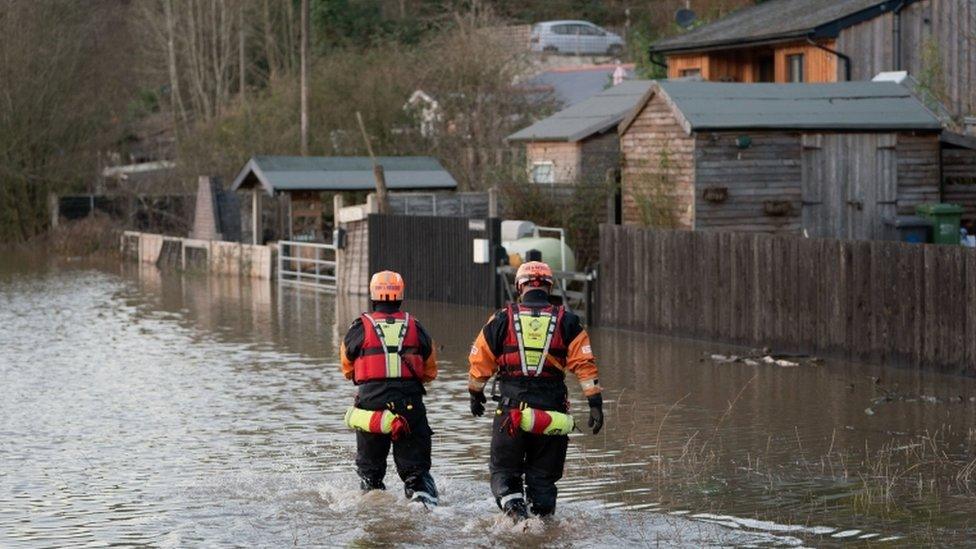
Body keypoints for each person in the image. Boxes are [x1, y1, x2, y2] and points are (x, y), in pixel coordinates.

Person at [467, 261, 604, 521]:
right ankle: (542, 523)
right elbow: (585, 366)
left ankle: (516, 513)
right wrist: (595, 403)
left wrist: (476, 394)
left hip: (511, 412)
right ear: (549, 286)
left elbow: (479, 362)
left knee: (504, 473)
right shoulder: (569, 322)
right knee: (543, 481)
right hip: (551, 414)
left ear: (520, 286)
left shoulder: (500, 319)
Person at [340, 270, 438, 506]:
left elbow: (347, 369)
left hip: (370, 408)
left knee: (370, 475)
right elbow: (430, 371)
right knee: (417, 474)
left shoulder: (358, 328)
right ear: (400, 295)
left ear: (373, 295)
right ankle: (422, 505)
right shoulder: (417, 327)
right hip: (409, 407)